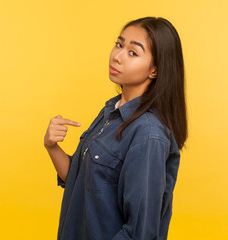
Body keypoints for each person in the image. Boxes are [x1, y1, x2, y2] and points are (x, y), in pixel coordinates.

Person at [44, 16, 188, 240]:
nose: (117, 56)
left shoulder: (148, 134)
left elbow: (140, 232)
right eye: (119, 44)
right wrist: (52, 147)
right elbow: (79, 179)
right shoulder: (111, 111)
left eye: (133, 52)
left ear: (154, 70)